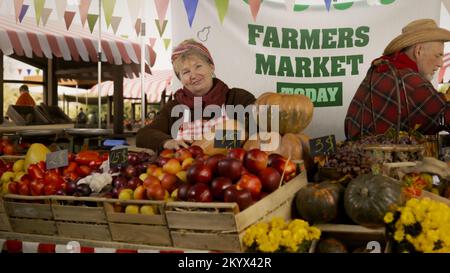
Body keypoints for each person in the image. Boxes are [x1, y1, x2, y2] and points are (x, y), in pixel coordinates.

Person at [136, 39, 256, 151]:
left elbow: (261, 126)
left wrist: (214, 143)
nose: (193, 75)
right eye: (186, 72)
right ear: (180, 79)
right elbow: (143, 135)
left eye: (198, 66)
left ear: (211, 67)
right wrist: (167, 142)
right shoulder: (174, 107)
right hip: (186, 171)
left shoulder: (237, 98)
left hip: (229, 170)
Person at [345, 19, 450, 139]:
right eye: (438, 56)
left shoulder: (381, 70)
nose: (441, 63)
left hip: (358, 152)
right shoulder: (412, 83)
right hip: (386, 155)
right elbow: (445, 114)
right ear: (418, 51)